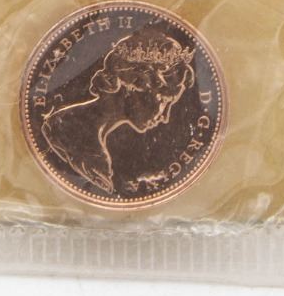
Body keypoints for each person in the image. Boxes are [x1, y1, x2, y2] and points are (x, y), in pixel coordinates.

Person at [38, 27, 196, 194]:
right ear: (134, 85)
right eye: (164, 101)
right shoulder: (64, 131)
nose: (165, 117)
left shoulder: (87, 143)